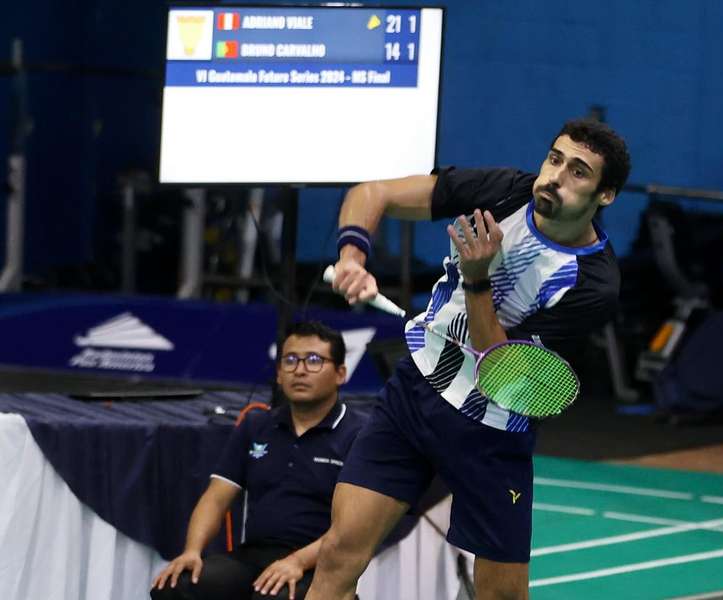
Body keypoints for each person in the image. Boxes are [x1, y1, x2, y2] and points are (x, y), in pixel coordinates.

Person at [309, 118, 630, 599]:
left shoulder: (592, 283)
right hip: (416, 393)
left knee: (500, 596)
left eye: (578, 172)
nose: (555, 177)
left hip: (492, 427)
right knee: (338, 554)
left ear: (605, 196)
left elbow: (499, 368)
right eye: (555, 158)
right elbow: (372, 192)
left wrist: (478, 278)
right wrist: (353, 255)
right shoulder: (505, 191)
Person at [151, 321, 366, 600]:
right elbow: (215, 498)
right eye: (290, 360)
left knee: (271, 597)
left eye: (314, 360)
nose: (300, 370)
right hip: (251, 556)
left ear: (341, 374)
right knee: (174, 588)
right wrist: (192, 551)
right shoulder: (257, 425)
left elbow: (353, 529)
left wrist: (297, 562)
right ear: (278, 374)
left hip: (321, 563)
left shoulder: (359, 434)